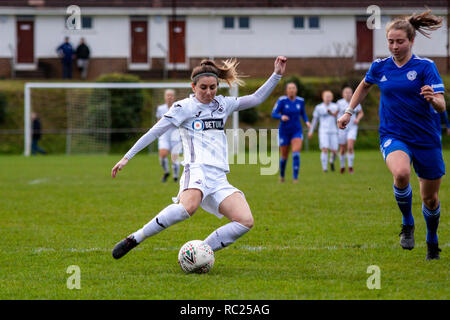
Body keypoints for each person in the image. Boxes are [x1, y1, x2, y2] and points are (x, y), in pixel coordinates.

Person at [111, 56, 287, 259]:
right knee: (187, 208)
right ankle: (136, 238)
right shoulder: (183, 107)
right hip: (196, 168)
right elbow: (154, 132)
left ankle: (199, 252)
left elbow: (256, 98)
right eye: (203, 87)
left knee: (245, 220)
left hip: (219, 177)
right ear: (193, 86)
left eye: (213, 87)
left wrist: (276, 75)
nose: (209, 92)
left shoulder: (223, 105)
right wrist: (126, 157)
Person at [337, 10, 446, 260]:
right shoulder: (380, 66)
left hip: (426, 138)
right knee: (401, 173)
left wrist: (433, 100)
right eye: (390, 41)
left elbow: (441, 104)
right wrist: (348, 112)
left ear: (411, 41)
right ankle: (407, 223)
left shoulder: (425, 67)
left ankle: (432, 239)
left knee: (430, 199)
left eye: (400, 41)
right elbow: (364, 86)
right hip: (393, 134)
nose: (394, 46)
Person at [271, 82, 310, 183]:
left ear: (296, 90)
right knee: (284, 156)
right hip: (284, 131)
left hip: (296, 130)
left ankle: (295, 178)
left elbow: (303, 114)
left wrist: (307, 121)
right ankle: (282, 175)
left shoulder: (300, 101)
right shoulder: (282, 100)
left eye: (293, 88)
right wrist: (281, 117)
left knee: (296, 154)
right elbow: (273, 113)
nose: (292, 90)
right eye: (289, 88)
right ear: (286, 90)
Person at [155, 89, 182, 182]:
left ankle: (175, 177)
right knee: (162, 154)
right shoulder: (160, 108)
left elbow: (181, 121)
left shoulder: (178, 108)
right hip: (164, 135)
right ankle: (166, 172)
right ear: (165, 97)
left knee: (174, 157)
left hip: (175, 135)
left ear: (174, 97)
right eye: (167, 95)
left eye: (171, 95)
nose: (169, 97)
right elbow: (158, 121)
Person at [308, 90, 339, 172]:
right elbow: (315, 120)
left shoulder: (335, 106)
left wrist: (334, 114)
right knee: (324, 149)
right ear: (323, 97)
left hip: (333, 131)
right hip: (323, 131)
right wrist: (311, 131)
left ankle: (331, 161)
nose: (328, 98)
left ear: (332, 98)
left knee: (334, 151)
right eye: (326, 96)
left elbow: (338, 118)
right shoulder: (319, 107)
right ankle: (324, 168)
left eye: (329, 97)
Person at [336, 87, 364, 174]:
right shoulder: (339, 103)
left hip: (352, 127)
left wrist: (358, 119)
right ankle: (342, 166)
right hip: (342, 128)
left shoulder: (356, 102)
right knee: (342, 149)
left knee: (350, 147)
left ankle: (350, 167)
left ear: (352, 93)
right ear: (343, 94)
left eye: (349, 92)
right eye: (346, 93)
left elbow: (361, 112)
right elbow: (335, 113)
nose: (348, 94)